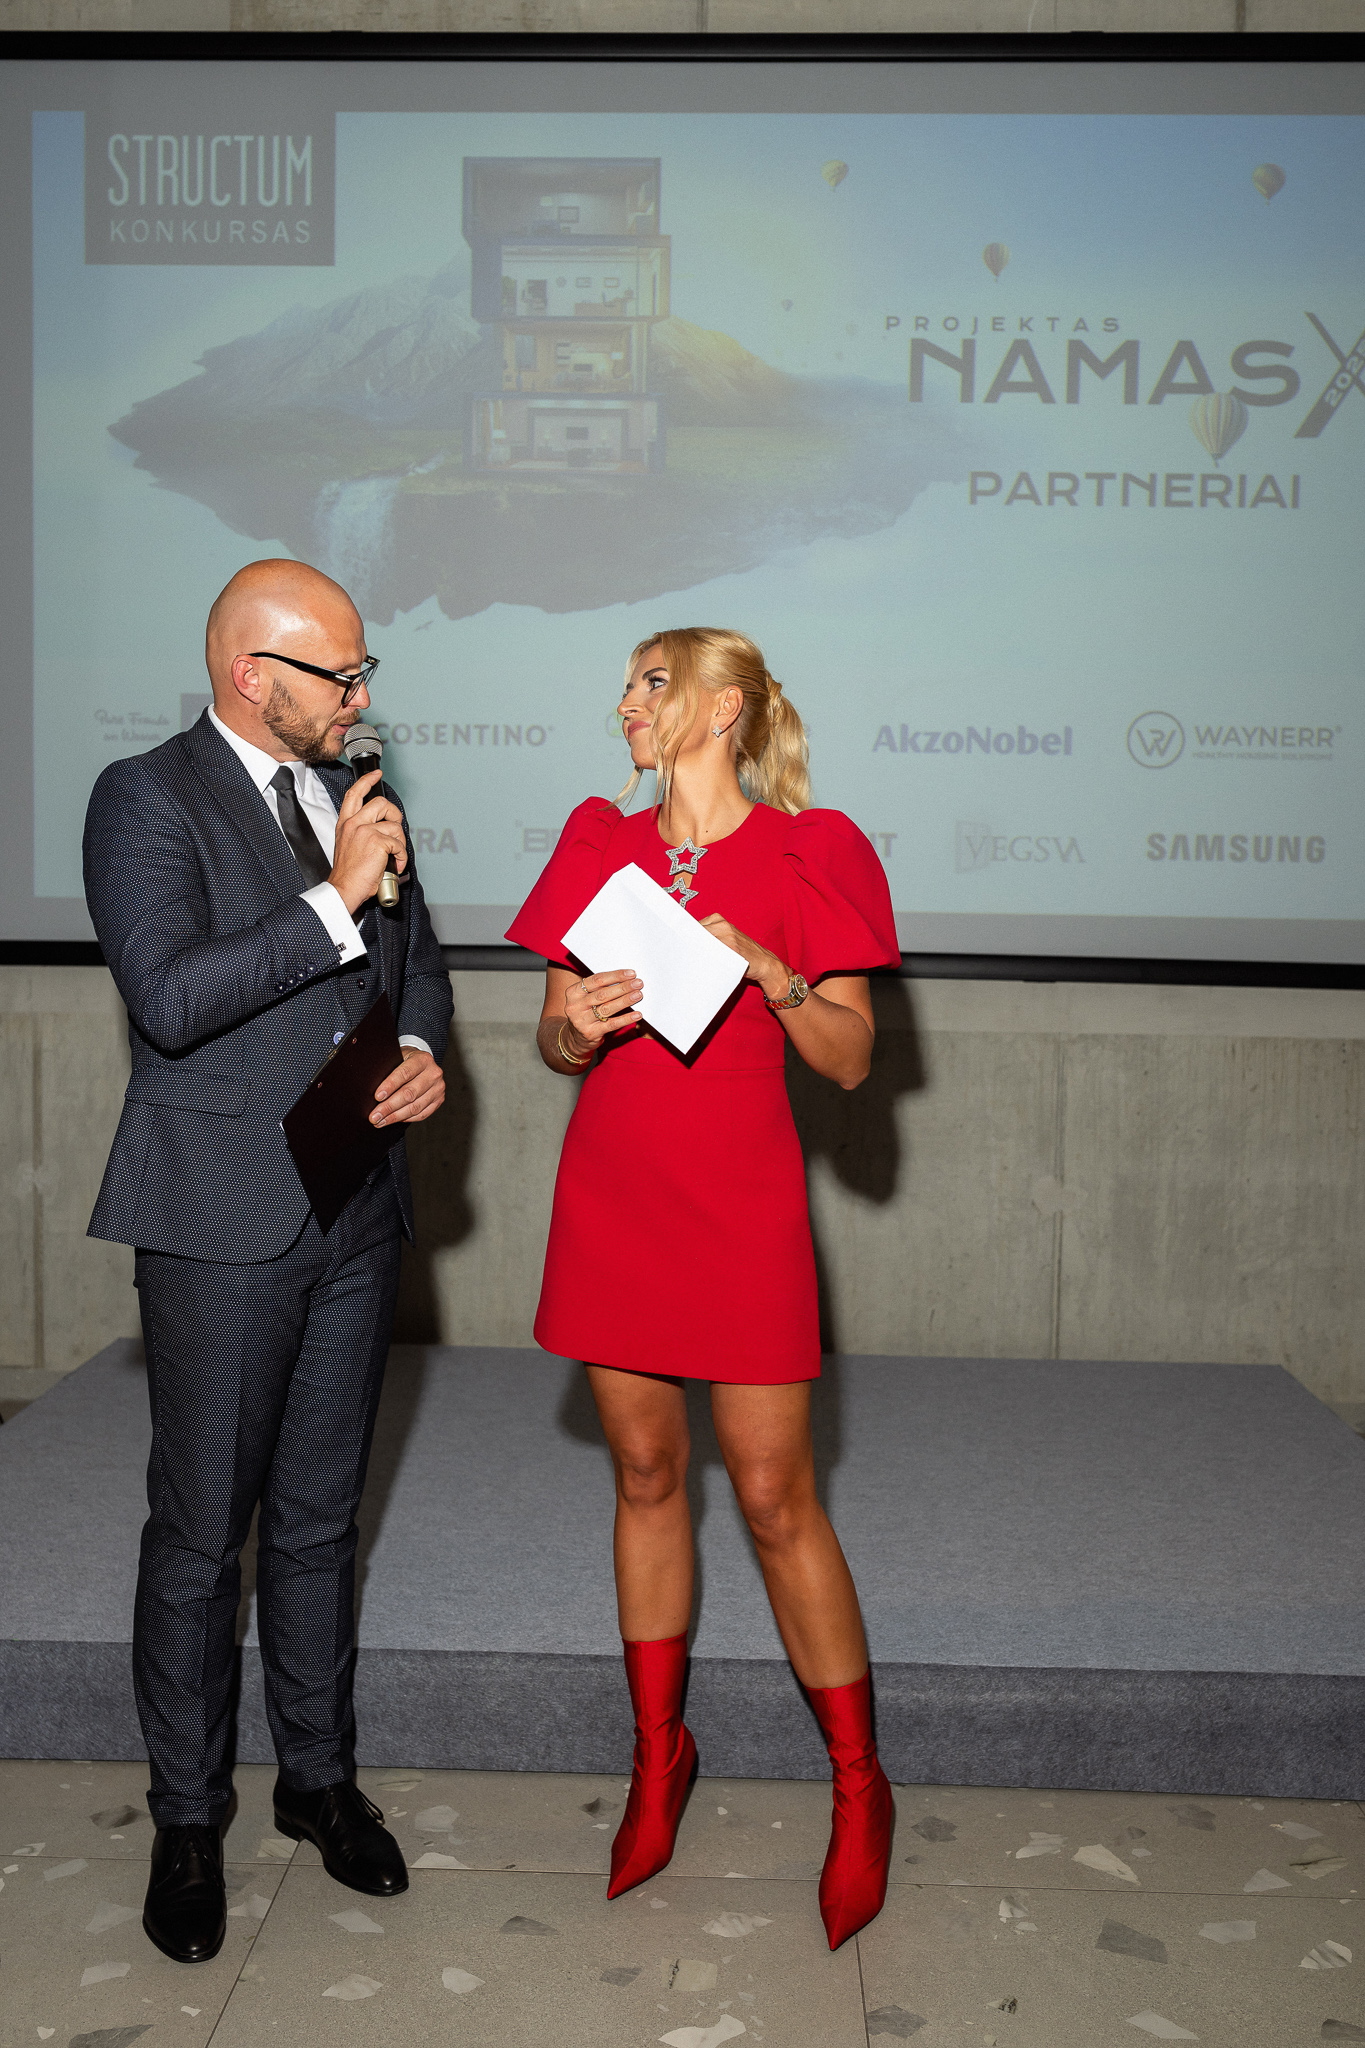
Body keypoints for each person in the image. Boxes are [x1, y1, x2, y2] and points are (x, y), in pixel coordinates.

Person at [506, 627, 901, 1950]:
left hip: (740, 1201)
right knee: (642, 1472)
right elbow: (553, 1034)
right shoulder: (596, 842)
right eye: (627, 684)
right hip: (615, 1191)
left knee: (778, 1495)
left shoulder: (811, 851)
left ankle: (860, 1786)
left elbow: (849, 1059)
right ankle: (657, 1754)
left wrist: (776, 980)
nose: (625, 702)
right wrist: (574, 1026)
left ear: (724, 709)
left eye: (652, 683)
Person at [83, 560, 453, 1966]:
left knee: (315, 1521)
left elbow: (419, 965)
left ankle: (317, 1780)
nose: (360, 698)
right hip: (223, 1223)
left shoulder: (356, 792)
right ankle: (188, 1819)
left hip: (356, 1210)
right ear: (253, 675)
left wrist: (419, 1051)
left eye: (364, 674)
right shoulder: (146, 798)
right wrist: (335, 898)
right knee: (201, 1536)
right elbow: (170, 999)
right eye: (338, 675)